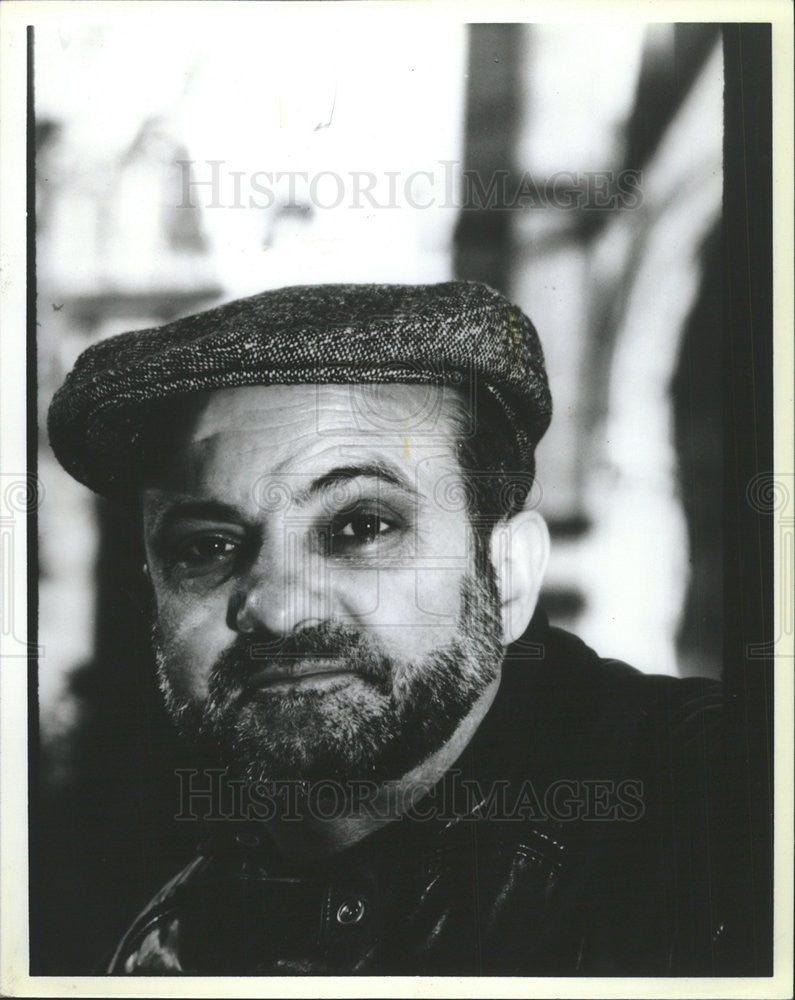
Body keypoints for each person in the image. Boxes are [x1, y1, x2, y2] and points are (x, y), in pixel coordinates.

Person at [47, 280, 730, 975]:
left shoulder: (728, 819)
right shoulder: (173, 949)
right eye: (205, 547)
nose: (276, 608)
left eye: (360, 527)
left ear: (510, 572)